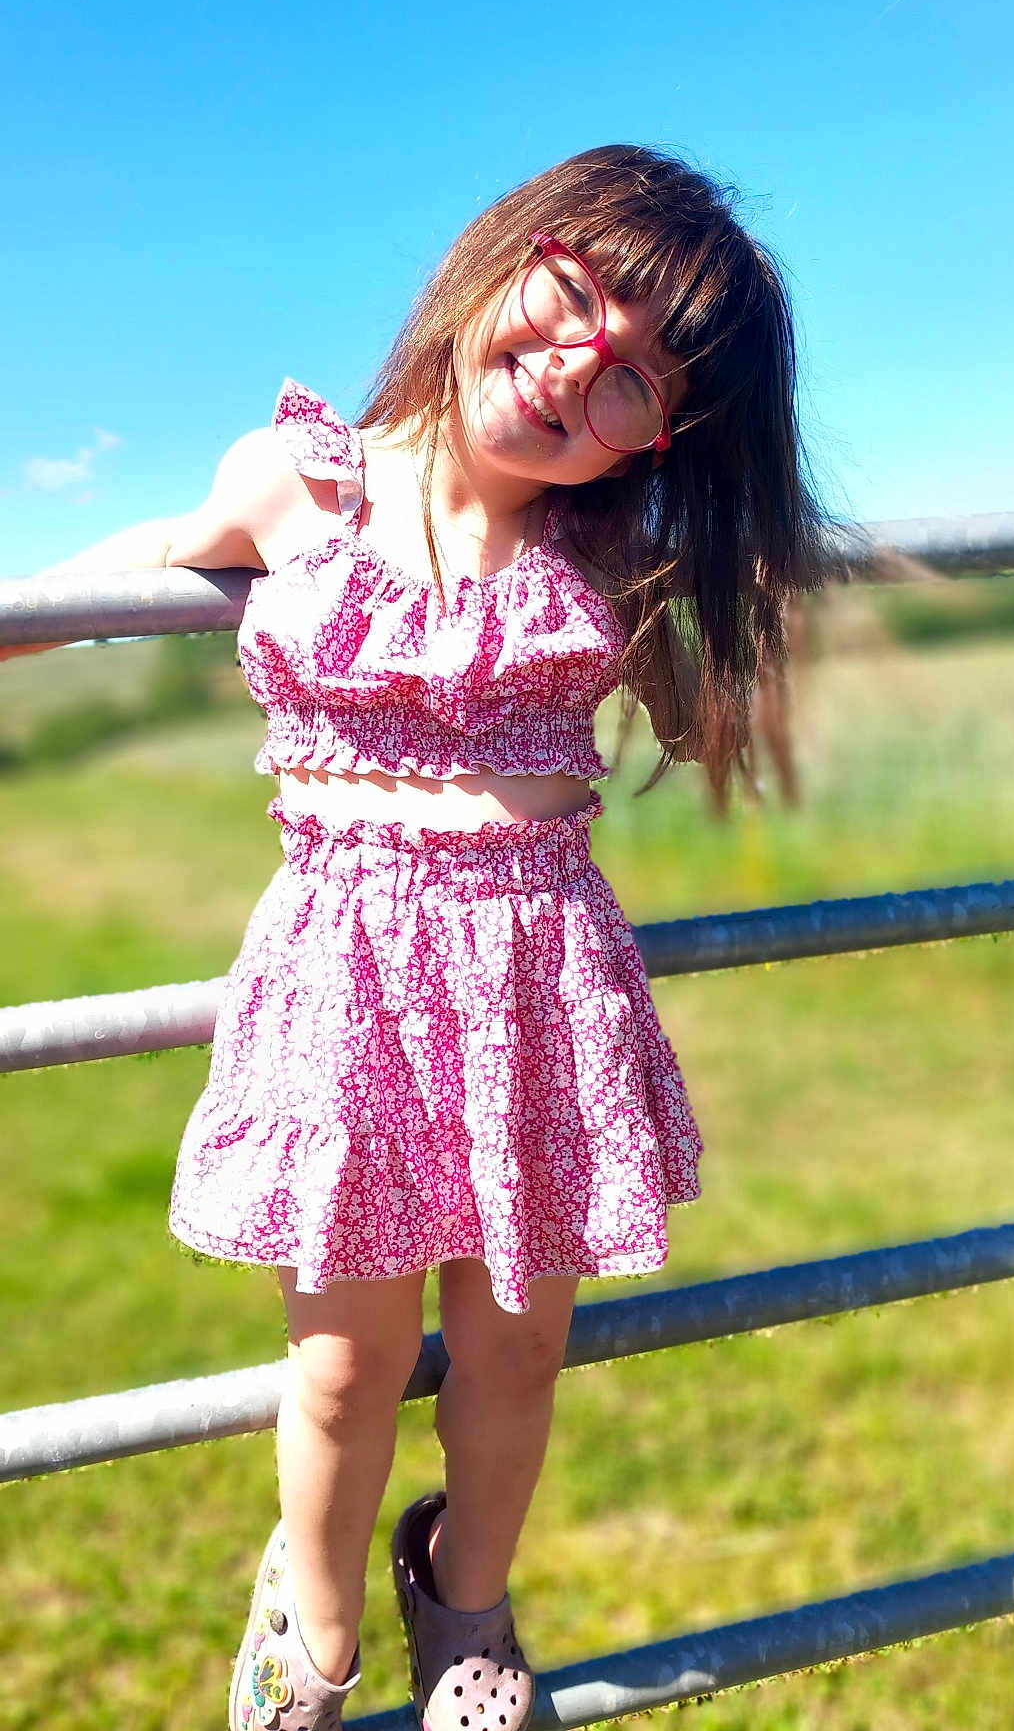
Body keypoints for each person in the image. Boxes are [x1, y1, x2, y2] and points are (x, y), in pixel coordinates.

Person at [5, 145, 825, 1731]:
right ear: (504, 250)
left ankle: (467, 1599)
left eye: (638, 382)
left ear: (665, 440)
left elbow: (726, 694)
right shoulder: (298, 480)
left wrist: (729, 587)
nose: (578, 365)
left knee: (516, 1358)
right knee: (340, 1363)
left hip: (539, 984)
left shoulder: (615, 555)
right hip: (349, 985)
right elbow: (139, 565)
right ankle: (306, 1634)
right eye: (575, 295)